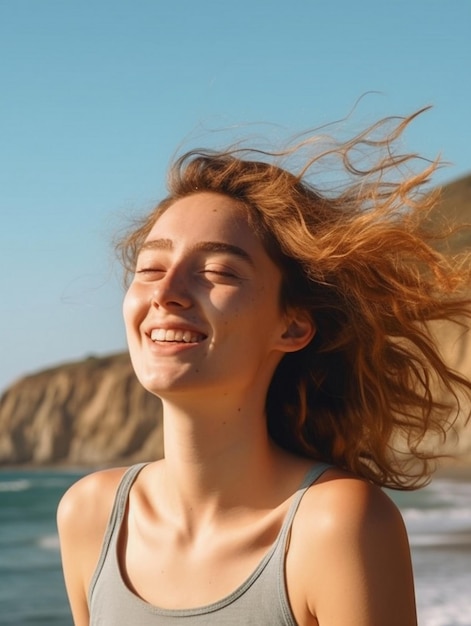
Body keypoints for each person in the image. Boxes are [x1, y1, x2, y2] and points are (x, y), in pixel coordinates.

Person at [57, 109, 471, 626]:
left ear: (292, 327)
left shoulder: (336, 526)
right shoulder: (90, 516)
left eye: (217, 271)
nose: (165, 294)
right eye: (150, 268)